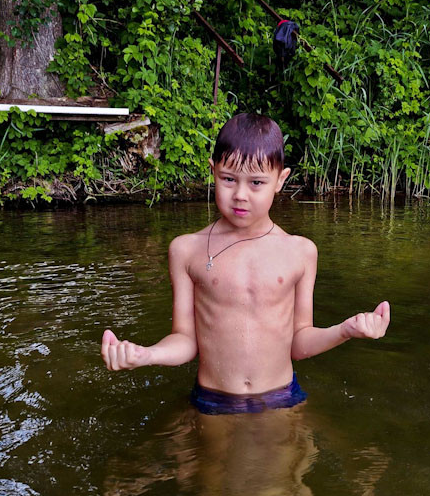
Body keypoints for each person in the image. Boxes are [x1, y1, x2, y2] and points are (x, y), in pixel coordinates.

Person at [100, 111, 390, 413]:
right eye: (228, 179)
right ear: (213, 171)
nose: (240, 195)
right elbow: (185, 340)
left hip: (282, 397)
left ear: (280, 180)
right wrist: (147, 354)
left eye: (256, 183)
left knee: (294, 460)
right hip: (213, 398)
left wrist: (346, 330)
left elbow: (299, 344)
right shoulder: (186, 250)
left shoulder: (300, 252)